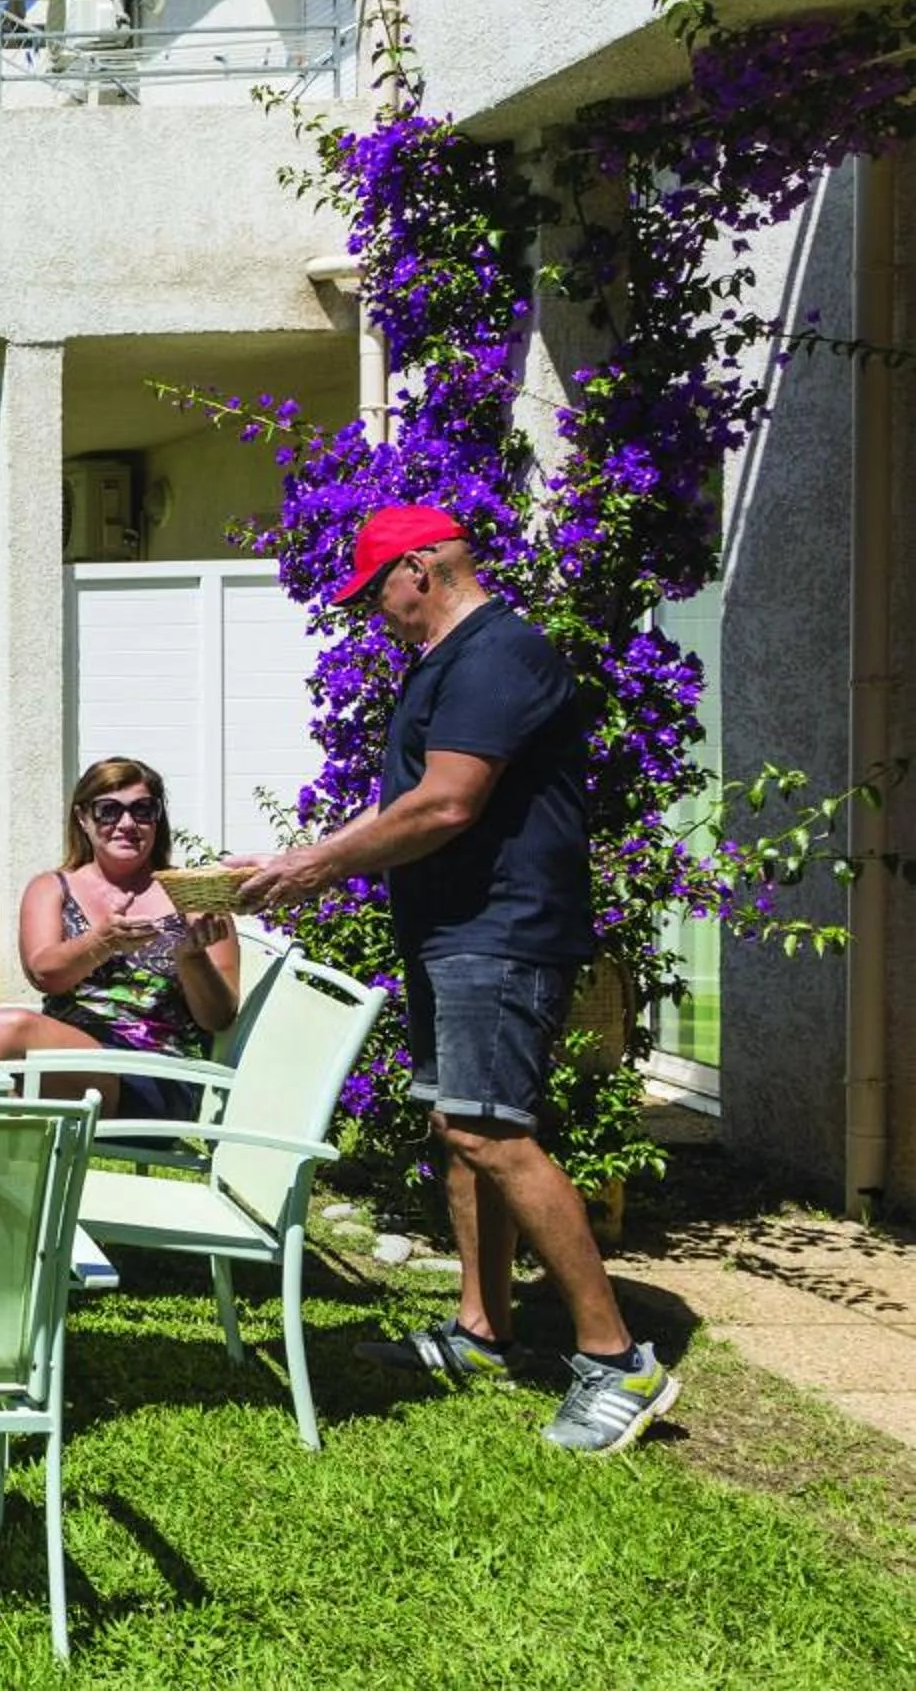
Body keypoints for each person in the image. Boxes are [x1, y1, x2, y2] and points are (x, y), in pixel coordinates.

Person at [233, 505, 678, 1454]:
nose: (374, 613)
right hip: (451, 931)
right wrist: (299, 858)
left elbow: (445, 803)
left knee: (492, 1130)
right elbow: (416, 804)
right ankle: (484, 1329)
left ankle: (616, 1359)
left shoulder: (495, 655)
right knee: (456, 1123)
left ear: (422, 568)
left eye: (376, 592)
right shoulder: (453, 663)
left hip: (500, 930)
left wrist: (314, 865)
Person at [0, 757, 241, 1118]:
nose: (127, 823)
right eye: (108, 811)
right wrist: (103, 940)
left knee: (11, 1029)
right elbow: (45, 975)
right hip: (65, 1061)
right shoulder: (51, 888)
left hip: (155, 1077)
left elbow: (219, 1017)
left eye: (143, 809)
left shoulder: (195, 899)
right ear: (83, 818)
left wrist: (192, 960)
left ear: (158, 817)